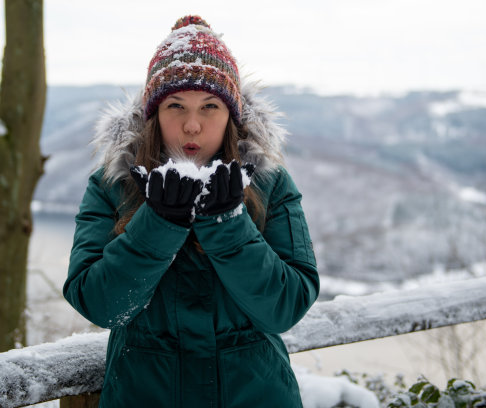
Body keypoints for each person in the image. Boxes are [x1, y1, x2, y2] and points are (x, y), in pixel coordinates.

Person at [63, 15, 319, 407]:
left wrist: (228, 224)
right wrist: (158, 223)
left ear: (232, 115)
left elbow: (286, 306)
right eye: (176, 105)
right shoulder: (113, 187)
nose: (192, 125)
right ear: (153, 115)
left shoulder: (270, 185)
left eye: (210, 106)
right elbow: (101, 305)